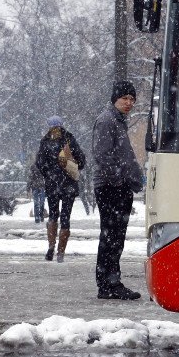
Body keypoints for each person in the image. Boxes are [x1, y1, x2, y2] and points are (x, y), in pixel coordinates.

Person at [92, 81, 144, 300]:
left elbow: (122, 155)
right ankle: (108, 284)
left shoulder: (117, 121)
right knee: (111, 236)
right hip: (110, 187)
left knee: (115, 236)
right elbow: (102, 155)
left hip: (117, 185)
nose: (129, 103)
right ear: (115, 99)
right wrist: (119, 180)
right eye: (125, 98)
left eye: (132, 99)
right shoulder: (107, 121)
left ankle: (110, 283)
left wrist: (133, 178)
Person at [35, 116, 86, 262]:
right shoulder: (69, 139)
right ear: (62, 125)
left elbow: (39, 163)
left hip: (52, 185)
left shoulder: (45, 142)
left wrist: (49, 173)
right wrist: (71, 164)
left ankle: (51, 246)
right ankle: (61, 253)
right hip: (68, 184)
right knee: (65, 217)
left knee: (53, 215)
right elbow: (82, 161)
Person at [26, 153, 47, 223]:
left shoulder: (43, 166)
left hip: (40, 187)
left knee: (40, 203)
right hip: (37, 187)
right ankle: (38, 217)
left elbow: (47, 178)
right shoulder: (34, 167)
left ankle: (39, 217)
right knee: (38, 203)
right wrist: (28, 188)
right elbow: (30, 178)